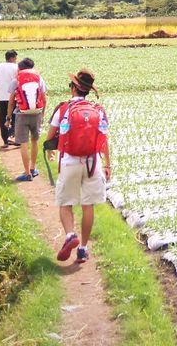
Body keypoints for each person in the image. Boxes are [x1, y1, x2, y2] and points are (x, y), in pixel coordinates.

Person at [46, 69, 111, 264]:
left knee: (65, 203)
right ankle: (83, 249)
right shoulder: (98, 111)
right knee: (87, 205)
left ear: (74, 88)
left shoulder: (63, 109)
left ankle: (69, 235)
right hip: (93, 162)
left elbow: (50, 137)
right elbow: (104, 139)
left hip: (70, 161)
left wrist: (49, 150)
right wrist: (108, 164)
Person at [10, 57, 48, 182]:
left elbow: (11, 101)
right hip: (36, 113)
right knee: (35, 141)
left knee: (24, 144)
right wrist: (42, 114)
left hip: (21, 114)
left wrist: (8, 117)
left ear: (20, 68)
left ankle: (27, 173)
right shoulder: (39, 79)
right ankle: (33, 168)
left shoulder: (16, 80)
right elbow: (44, 97)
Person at [0, 50, 19, 146]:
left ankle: (5, 141)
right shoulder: (16, 67)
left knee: (2, 118)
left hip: (1, 97)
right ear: (12, 58)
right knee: (15, 117)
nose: (16, 60)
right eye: (15, 58)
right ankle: (13, 137)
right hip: (14, 97)